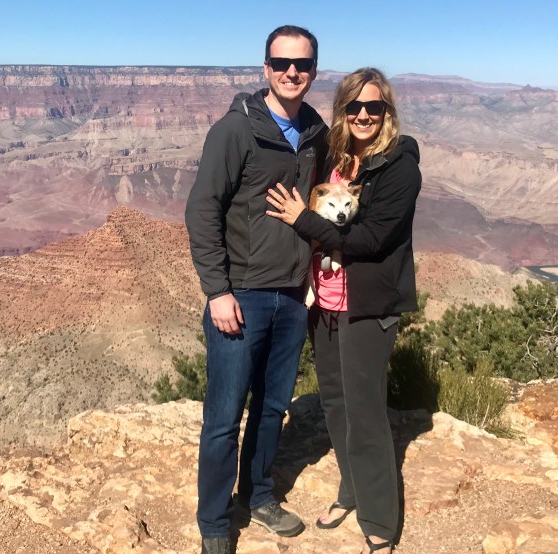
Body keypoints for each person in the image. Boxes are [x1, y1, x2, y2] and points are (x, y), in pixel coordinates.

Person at [266, 67, 421, 554]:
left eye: (374, 107)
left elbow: (370, 239)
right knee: (334, 402)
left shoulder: (398, 166)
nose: (363, 115)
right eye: (354, 106)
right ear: (343, 111)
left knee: (365, 410)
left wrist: (304, 219)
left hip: (367, 305)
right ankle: (351, 491)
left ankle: (379, 520)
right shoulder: (335, 157)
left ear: (386, 112)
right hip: (326, 302)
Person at [185, 25, 327, 554]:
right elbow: (202, 209)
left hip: (291, 296)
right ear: (266, 68)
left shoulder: (314, 131)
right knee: (224, 417)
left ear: (314, 71)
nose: (292, 72)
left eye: (302, 64)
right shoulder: (235, 130)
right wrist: (217, 291)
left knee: (272, 408)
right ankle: (214, 523)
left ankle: (259, 496)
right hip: (241, 295)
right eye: (282, 63)